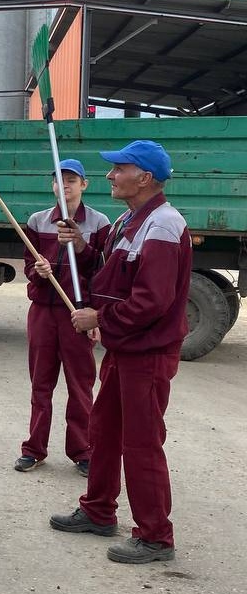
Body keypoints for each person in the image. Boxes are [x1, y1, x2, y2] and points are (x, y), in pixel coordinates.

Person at [49, 140, 192, 565]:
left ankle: (155, 537)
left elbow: (152, 301)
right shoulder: (128, 221)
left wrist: (100, 320)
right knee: (105, 430)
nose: (110, 176)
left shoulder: (164, 225)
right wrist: (81, 247)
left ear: (144, 178)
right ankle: (97, 511)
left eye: (119, 169)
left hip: (146, 355)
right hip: (124, 350)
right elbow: (111, 271)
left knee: (142, 444)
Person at [15, 159, 110, 477]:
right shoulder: (38, 221)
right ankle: (34, 449)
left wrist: (96, 317)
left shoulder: (98, 223)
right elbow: (29, 266)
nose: (65, 184)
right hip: (42, 312)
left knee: (80, 386)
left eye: (72, 179)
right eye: (59, 179)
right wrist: (39, 272)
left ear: (84, 184)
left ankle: (82, 451)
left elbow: (103, 271)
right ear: (52, 186)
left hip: (77, 314)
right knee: (40, 384)